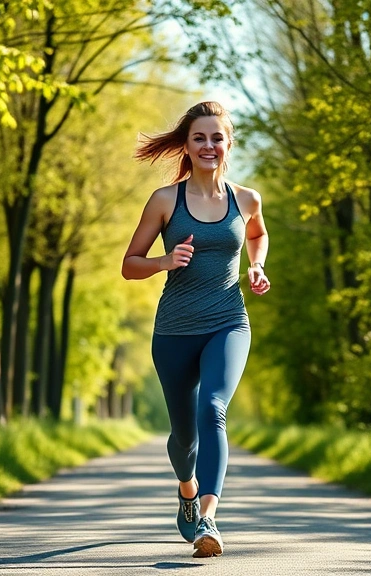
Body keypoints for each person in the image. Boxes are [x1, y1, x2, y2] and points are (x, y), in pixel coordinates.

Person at [121, 101, 270, 558]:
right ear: (187, 146)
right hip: (174, 329)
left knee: (214, 408)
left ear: (228, 144)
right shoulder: (167, 200)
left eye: (216, 137)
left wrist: (257, 266)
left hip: (228, 320)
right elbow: (130, 265)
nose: (209, 145)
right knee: (184, 436)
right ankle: (186, 490)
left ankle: (207, 516)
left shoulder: (246, 199)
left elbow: (257, 234)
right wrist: (165, 261)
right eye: (199, 138)